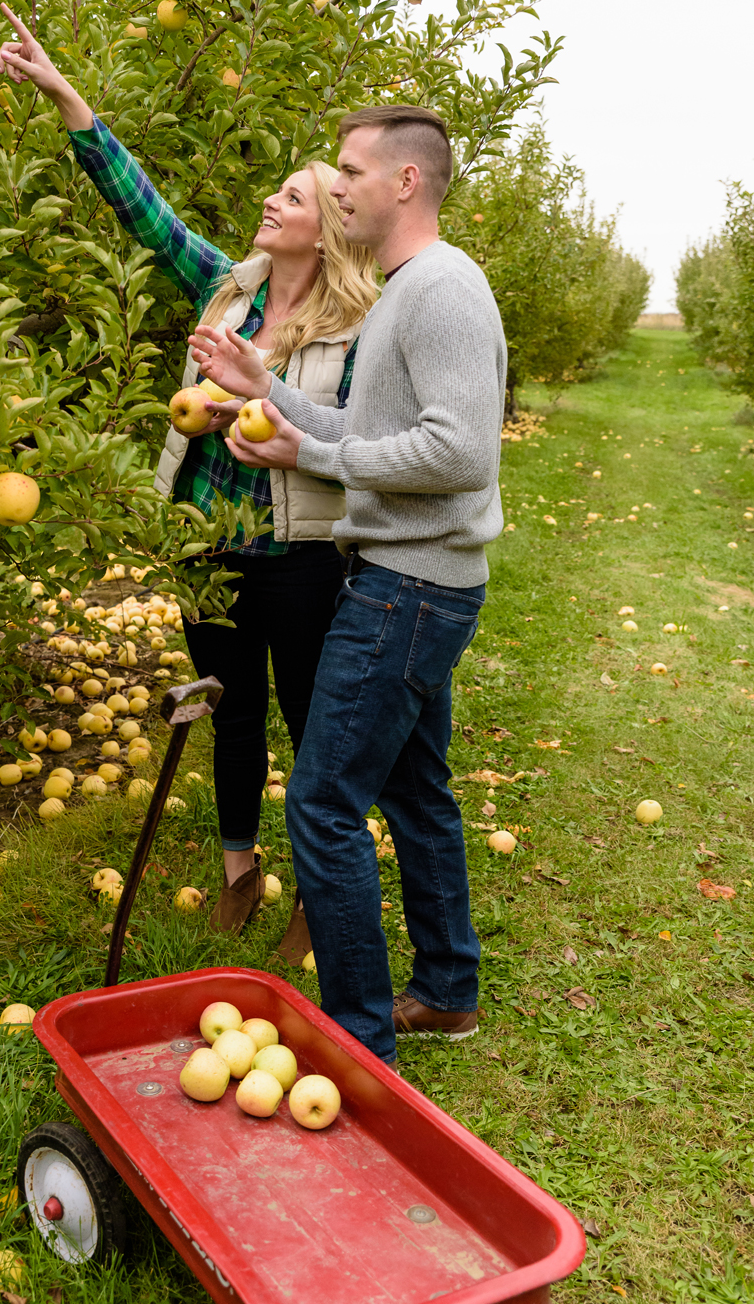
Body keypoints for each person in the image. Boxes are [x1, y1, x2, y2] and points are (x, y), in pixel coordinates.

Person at [0, 6, 380, 946]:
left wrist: (262, 398)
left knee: (311, 726)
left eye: (292, 197)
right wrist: (69, 98)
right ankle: (240, 870)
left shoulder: (357, 328)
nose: (270, 204)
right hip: (206, 543)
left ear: (327, 229)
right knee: (232, 711)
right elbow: (145, 212)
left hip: (300, 553)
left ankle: (319, 897)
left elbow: (355, 433)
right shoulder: (227, 288)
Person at [187, 104, 505, 1063]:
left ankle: (359, 1042)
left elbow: (460, 450)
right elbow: (361, 434)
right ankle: (448, 990)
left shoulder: (440, 288)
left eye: (353, 170)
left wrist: (330, 451)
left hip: (407, 586)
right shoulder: (407, 290)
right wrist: (267, 392)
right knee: (417, 792)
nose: (340, 187)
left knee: (322, 801)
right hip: (412, 575)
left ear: (405, 182)